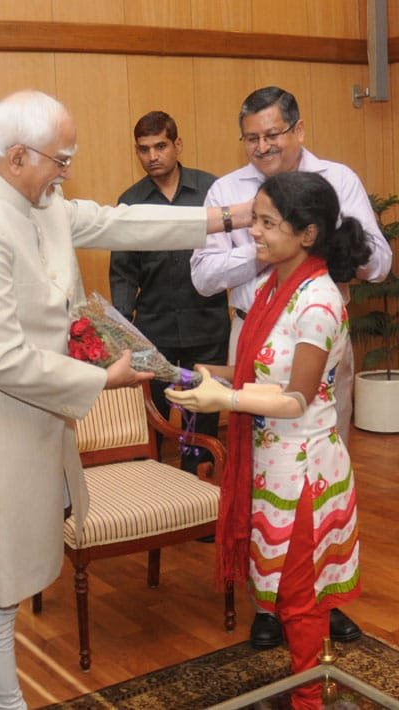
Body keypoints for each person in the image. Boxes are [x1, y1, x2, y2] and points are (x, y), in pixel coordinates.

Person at [0, 89, 252, 710]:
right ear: (17, 156)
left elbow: (117, 221)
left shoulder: (35, 197)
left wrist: (225, 218)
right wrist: (104, 380)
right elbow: (1, 359)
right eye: (61, 159)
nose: (66, 172)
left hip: (38, 419)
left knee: (17, 566)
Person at [189, 85, 391, 648]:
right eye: (251, 138)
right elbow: (202, 277)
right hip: (251, 330)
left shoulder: (339, 180)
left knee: (320, 469)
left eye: (273, 135)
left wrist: (327, 245)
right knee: (260, 473)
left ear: (299, 130)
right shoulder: (228, 191)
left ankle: (320, 593)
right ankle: (270, 602)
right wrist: (263, 247)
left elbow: (380, 263)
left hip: (318, 341)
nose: (262, 147)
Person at [168, 171, 367, 709]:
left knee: (299, 600)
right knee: (280, 592)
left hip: (304, 472)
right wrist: (190, 372)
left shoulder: (318, 300)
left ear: (307, 234)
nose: (252, 232)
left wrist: (223, 401)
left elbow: (296, 398)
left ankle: (308, 701)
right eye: (252, 219)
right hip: (270, 464)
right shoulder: (277, 284)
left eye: (266, 223)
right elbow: (257, 368)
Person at [110, 111, 229, 473]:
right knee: (156, 414)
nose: (152, 156)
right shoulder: (130, 200)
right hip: (153, 328)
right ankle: (160, 487)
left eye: (160, 146)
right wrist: (123, 329)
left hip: (206, 323)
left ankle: (201, 491)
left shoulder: (211, 190)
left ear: (177, 144)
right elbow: (123, 272)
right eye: (143, 149)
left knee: (204, 412)